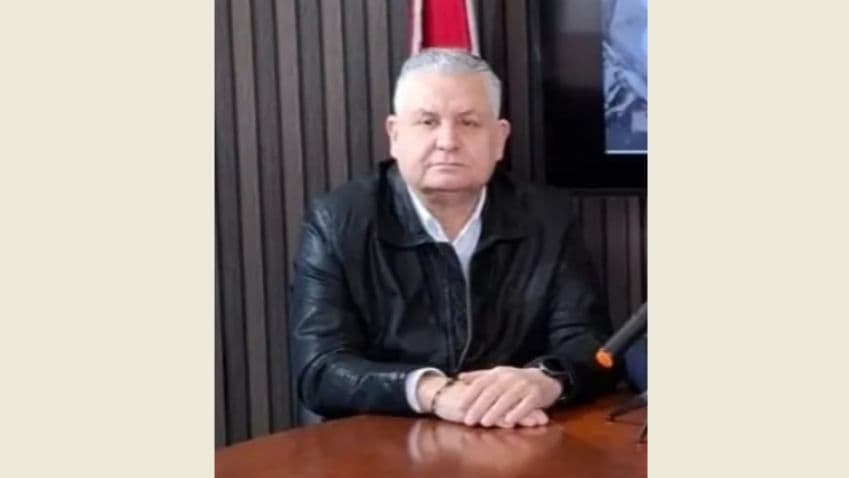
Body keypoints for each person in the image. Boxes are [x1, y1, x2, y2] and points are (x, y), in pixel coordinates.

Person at [290, 49, 617, 429]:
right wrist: (433, 391)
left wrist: (545, 379)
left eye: (469, 122)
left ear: (499, 139)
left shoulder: (548, 218)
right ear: (395, 135)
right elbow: (320, 368)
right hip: (383, 440)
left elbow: (591, 344)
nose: (448, 141)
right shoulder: (338, 221)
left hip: (515, 436)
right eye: (428, 122)